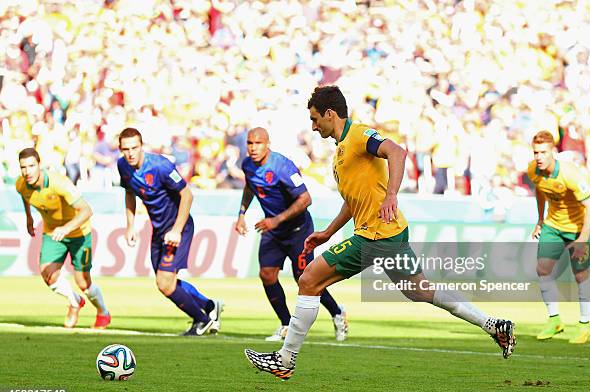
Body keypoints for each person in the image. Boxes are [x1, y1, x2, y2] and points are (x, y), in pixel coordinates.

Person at [244, 86, 516, 380]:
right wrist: (328, 232)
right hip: (388, 234)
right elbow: (353, 202)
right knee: (419, 290)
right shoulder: (340, 154)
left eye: (315, 119)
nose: (313, 126)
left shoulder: (359, 135)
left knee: (309, 279)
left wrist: (392, 196)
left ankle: (285, 360)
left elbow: (397, 152)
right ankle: (493, 324)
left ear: (330, 114)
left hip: (375, 235)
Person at [236, 127, 348, 342]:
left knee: (305, 280)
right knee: (267, 275)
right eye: (249, 143)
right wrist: (241, 214)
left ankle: (337, 313)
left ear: (268, 144)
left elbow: (306, 199)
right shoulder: (247, 165)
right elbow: (250, 188)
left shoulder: (282, 166)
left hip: (298, 231)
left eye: (258, 143)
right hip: (273, 231)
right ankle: (286, 324)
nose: (253, 148)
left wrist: (276, 219)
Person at [117, 128, 222, 336]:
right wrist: (130, 224)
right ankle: (210, 306)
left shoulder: (160, 166)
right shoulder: (123, 166)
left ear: (142, 146)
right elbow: (129, 193)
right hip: (159, 230)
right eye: (125, 149)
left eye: (134, 148)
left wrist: (176, 230)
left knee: (165, 284)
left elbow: (187, 195)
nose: (130, 153)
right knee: (167, 281)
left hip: (178, 228)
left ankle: (202, 320)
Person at [16, 148, 110, 329]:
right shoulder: (21, 184)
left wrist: (66, 229)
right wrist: (28, 217)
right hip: (53, 232)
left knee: (83, 282)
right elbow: (25, 197)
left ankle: (103, 312)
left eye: (31, 166)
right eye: (23, 167)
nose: (27, 172)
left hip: (78, 233)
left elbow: (87, 210)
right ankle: (74, 301)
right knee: (48, 274)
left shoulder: (59, 183)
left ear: (39, 165)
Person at [528, 130, 590, 344]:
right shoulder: (533, 171)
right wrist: (540, 220)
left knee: (580, 276)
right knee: (542, 269)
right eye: (535, 152)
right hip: (553, 227)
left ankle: (585, 324)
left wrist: (582, 240)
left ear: (553, 152)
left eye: (543, 152)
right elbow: (539, 191)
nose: (538, 156)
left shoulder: (570, 174)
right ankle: (554, 320)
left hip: (577, 229)